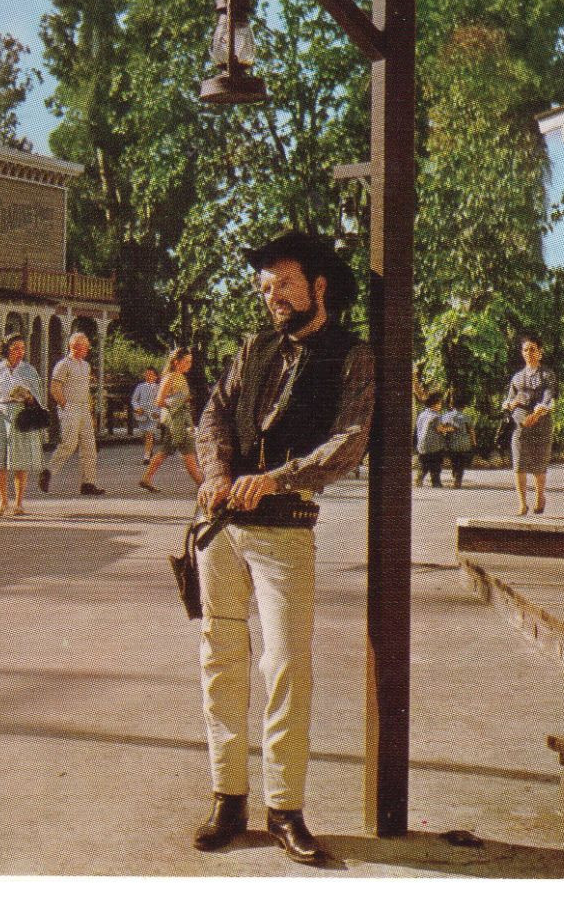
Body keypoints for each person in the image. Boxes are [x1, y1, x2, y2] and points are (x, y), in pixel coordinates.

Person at [191, 230, 374, 866]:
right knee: (221, 656)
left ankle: (285, 806)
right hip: (220, 531)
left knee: (287, 665)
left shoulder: (351, 354)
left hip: (285, 531)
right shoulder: (252, 347)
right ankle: (227, 795)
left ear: (319, 287)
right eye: (266, 287)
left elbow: (350, 440)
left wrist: (276, 479)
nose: (274, 297)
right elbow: (213, 412)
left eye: (286, 284)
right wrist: (216, 474)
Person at [0, 333, 44, 517]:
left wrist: (29, 398)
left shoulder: (29, 371)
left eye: (22, 348)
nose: (20, 352)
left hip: (20, 414)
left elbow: (38, 399)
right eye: (16, 348)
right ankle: (3, 500)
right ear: (7, 348)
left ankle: (18, 502)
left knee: (20, 459)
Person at [40, 332, 105, 496]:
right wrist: (64, 405)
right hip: (70, 407)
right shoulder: (63, 365)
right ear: (74, 346)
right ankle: (48, 471)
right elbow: (55, 387)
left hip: (84, 408)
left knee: (90, 446)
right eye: (85, 346)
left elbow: (86, 390)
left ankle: (88, 483)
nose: (88, 349)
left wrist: (90, 411)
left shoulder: (85, 366)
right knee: (69, 443)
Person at [139, 347, 204, 493]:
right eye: (186, 362)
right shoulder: (170, 377)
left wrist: (183, 400)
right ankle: (202, 485)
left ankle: (146, 478)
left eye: (190, 361)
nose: (189, 364)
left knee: (164, 451)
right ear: (176, 362)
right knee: (189, 453)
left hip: (179, 419)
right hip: (176, 421)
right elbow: (159, 401)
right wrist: (180, 400)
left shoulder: (180, 376)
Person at [506, 334, 556, 515]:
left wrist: (536, 414)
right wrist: (512, 404)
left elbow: (549, 397)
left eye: (533, 349)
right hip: (520, 424)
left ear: (540, 352)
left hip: (541, 422)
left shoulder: (547, 375)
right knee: (519, 463)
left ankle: (540, 497)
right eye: (526, 350)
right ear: (522, 353)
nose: (529, 353)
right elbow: (509, 401)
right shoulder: (517, 377)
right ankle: (522, 503)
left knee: (539, 462)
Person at [441, 391, 474, 489]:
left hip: (452, 444)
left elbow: (441, 428)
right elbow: (471, 432)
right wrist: (473, 443)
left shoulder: (447, 416)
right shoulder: (466, 417)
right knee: (461, 463)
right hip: (465, 443)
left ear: (452, 405)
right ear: (463, 406)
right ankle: (458, 480)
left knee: (454, 462)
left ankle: (455, 478)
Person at [414, 391, 447, 487]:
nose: (441, 405)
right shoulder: (436, 416)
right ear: (434, 404)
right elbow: (439, 429)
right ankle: (436, 482)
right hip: (433, 445)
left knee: (424, 463)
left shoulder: (422, 414)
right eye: (439, 403)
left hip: (422, 445)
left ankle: (419, 479)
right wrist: (449, 429)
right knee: (436, 464)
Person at [131, 367, 162, 462]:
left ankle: (146, 456)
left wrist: (158, 412)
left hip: (153, 415)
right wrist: (137, 408)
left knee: (149, 433)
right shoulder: (140, 387)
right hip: (142, 414)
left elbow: (161, 401)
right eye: (147, 374)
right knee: (146, 435)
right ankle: (150, 448)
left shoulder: (158, 388)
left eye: (151, 374)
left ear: (156, 376)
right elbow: (134, 400)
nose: (149, 376)